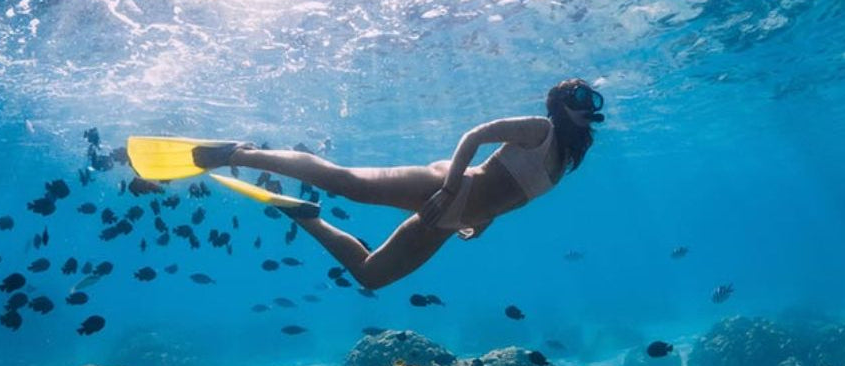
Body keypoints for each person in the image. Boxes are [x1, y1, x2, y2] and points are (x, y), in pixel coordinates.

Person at [194, 78, 603, 289]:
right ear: (560, 106)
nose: (590, 107)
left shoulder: (565, 160)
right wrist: (449, 188)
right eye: (582, 99)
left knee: (371, 276)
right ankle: (237, 154)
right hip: (447, 188)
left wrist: (485, 220)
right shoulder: (540, 129)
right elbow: (475, 136)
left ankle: (306, 217)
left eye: (592, 101)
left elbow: (511, 192)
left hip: (451, 221)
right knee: (346, 182)